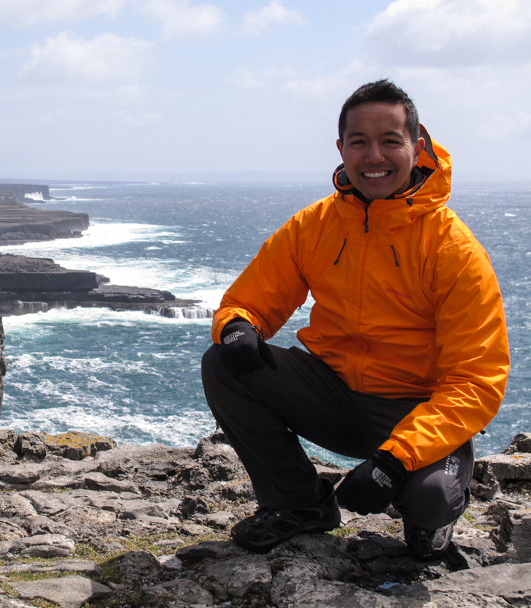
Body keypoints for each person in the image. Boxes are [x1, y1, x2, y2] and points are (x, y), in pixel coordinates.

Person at [200, 79, 510, 560]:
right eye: (359, 142)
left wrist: (392, 460)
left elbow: (476, 381)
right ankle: (300, 505)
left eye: (390, 140)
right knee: (223, 363)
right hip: (333, 394)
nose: (374, 156)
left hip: (414, 409)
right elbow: (251, 300)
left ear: (417, 145)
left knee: (430, 501)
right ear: (341, 148)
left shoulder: (454, 249)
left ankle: (434, 520)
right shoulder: (315, 225)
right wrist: (238, 326)